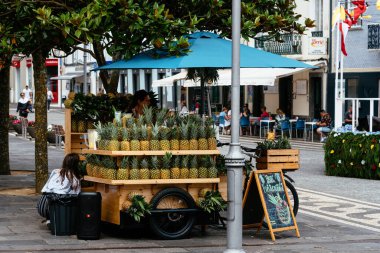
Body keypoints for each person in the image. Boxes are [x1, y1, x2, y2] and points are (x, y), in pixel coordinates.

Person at [38, 153, 81, 223]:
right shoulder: (74, 178)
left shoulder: (55, 171)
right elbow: (77, 195)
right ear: (76, 165)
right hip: (55, 208)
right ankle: (57, 219)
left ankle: (51, 219)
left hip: (42, 206)